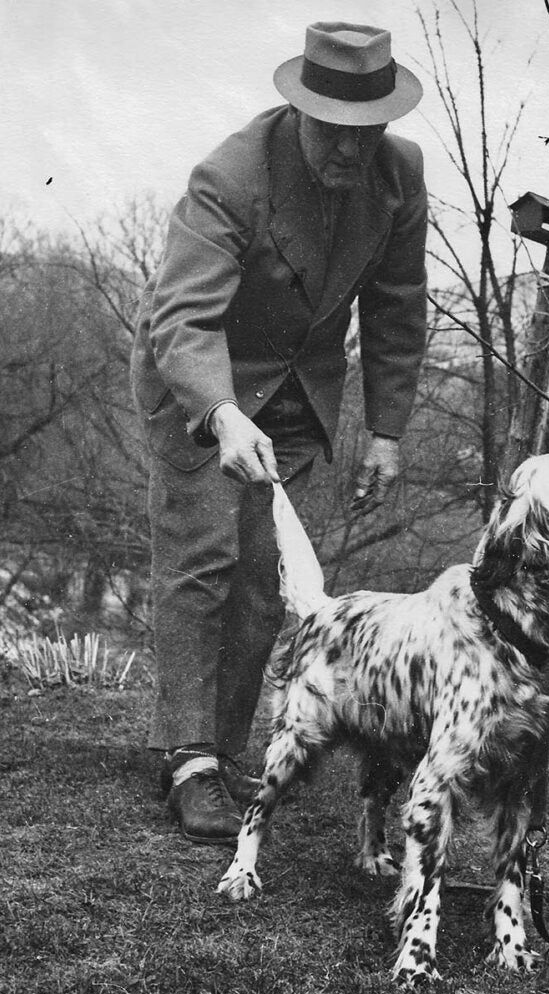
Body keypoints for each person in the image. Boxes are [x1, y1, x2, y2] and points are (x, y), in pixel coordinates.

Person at [130, 22, 427, 845]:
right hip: (199, 380)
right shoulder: (231, 174)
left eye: (363, 133)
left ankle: (222, 752)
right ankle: (186, 759)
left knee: (264, 579)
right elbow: (182, 318)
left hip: (297, 393)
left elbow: (397, 306)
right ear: (297, 110)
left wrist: (387, 432)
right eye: (330, 129)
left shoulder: (400, 176)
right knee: (203, 560)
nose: (347, 150)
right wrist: (222, 414)